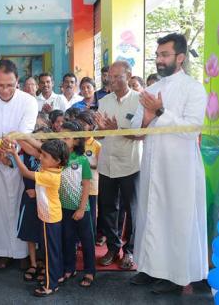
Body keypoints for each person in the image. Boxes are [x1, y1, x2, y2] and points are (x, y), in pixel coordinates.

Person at [130, 33, 208, 293]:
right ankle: (150, 269)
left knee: (175, 219)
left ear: (181, 57)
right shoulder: (150, 90)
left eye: (165, 55)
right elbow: (137, 130)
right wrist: (148, 116)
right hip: (152, 163)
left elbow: (191, 128)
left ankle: (175, 276)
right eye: (158, 55)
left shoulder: (193, 88)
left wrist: (160, 112)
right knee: (150, 216)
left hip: (179, 169)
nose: (159, 60)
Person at [0, 59, 38, 268]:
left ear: (17, 81)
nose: (5, 90)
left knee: (21, 207)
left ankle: (21, 254)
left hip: (20, 161)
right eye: (0, 85)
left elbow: (24, 132)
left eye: (10, 85)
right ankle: (0, 252)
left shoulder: (28, 101)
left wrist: (10, 152)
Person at [94, 60, 142, 270]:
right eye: (110, 77)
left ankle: (129, 251)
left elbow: (141, 134)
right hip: (107, 164)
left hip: (131, 164)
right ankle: (113, 248)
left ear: (128, 75)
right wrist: (103, 129)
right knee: (107, 209)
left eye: (117, 76)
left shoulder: (139, 100)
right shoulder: (104, 101)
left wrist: (118, 129)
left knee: (132, 210)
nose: (112, 80)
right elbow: (101, 134)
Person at [7, 139, 68, 297]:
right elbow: (35, 151)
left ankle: (50, 285)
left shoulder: (50, 175)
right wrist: (22, 137)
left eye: (45, 156)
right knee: (52, 251)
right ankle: (54, 278)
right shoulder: (51, 167)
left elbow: (26, 173)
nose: (41, 158)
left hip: (50, 219)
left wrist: (14, 153)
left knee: (50, 253)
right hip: (48, 217)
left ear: (57, 160)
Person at [58, 121, 95, 287]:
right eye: (61, 136)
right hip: (63, 208)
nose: (63, 140)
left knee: (87, 241)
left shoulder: (82, 160)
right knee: (67, 239)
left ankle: (89, 271)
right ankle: (69, 268)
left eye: (66, 137)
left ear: (77, 141)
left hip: (81, 209)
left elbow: (86, 184)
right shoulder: (58, 159)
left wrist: (81, 208)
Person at [15, 127, 51, 283]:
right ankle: (34, 263)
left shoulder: (50, 157)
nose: (39, 143)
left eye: (43, 141)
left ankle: (45, 264)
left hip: (45, 198)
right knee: (30, 232)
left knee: (44, 232)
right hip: (29, 198)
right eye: (37, 139)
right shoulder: (26, 155)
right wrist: (16, 136)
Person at [76, 110, 101, 240]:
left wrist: (84, 164)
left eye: (83, 123)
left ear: (91, 126)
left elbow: (100, 165)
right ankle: (79, 239)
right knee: (78, 211)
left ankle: (90, 238)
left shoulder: (96, 145)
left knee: (90, 214)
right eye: (78, 123)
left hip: (91, 186)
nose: (80, 126)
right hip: (76, 185)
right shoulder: (76, 143)